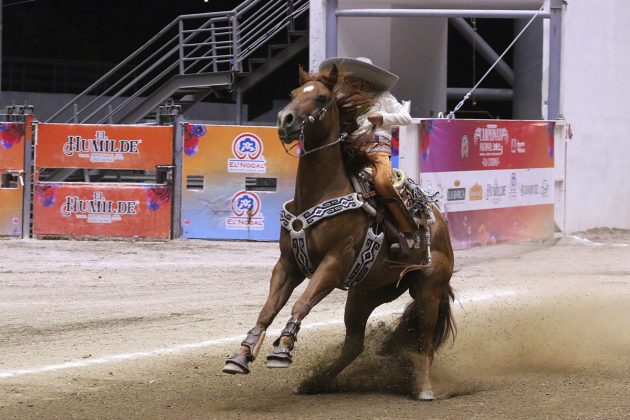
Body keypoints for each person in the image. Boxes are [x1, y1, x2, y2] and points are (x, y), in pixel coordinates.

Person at [319, 57, 418, 253]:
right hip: (351, 150)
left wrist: (382, 118)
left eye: (355, 80)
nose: (350, 83)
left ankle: (408, 230)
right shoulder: (344, 100)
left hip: (377, 149)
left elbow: (407, 118)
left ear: (366, 80)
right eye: (348, 80)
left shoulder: (384, 97)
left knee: (383, 182)